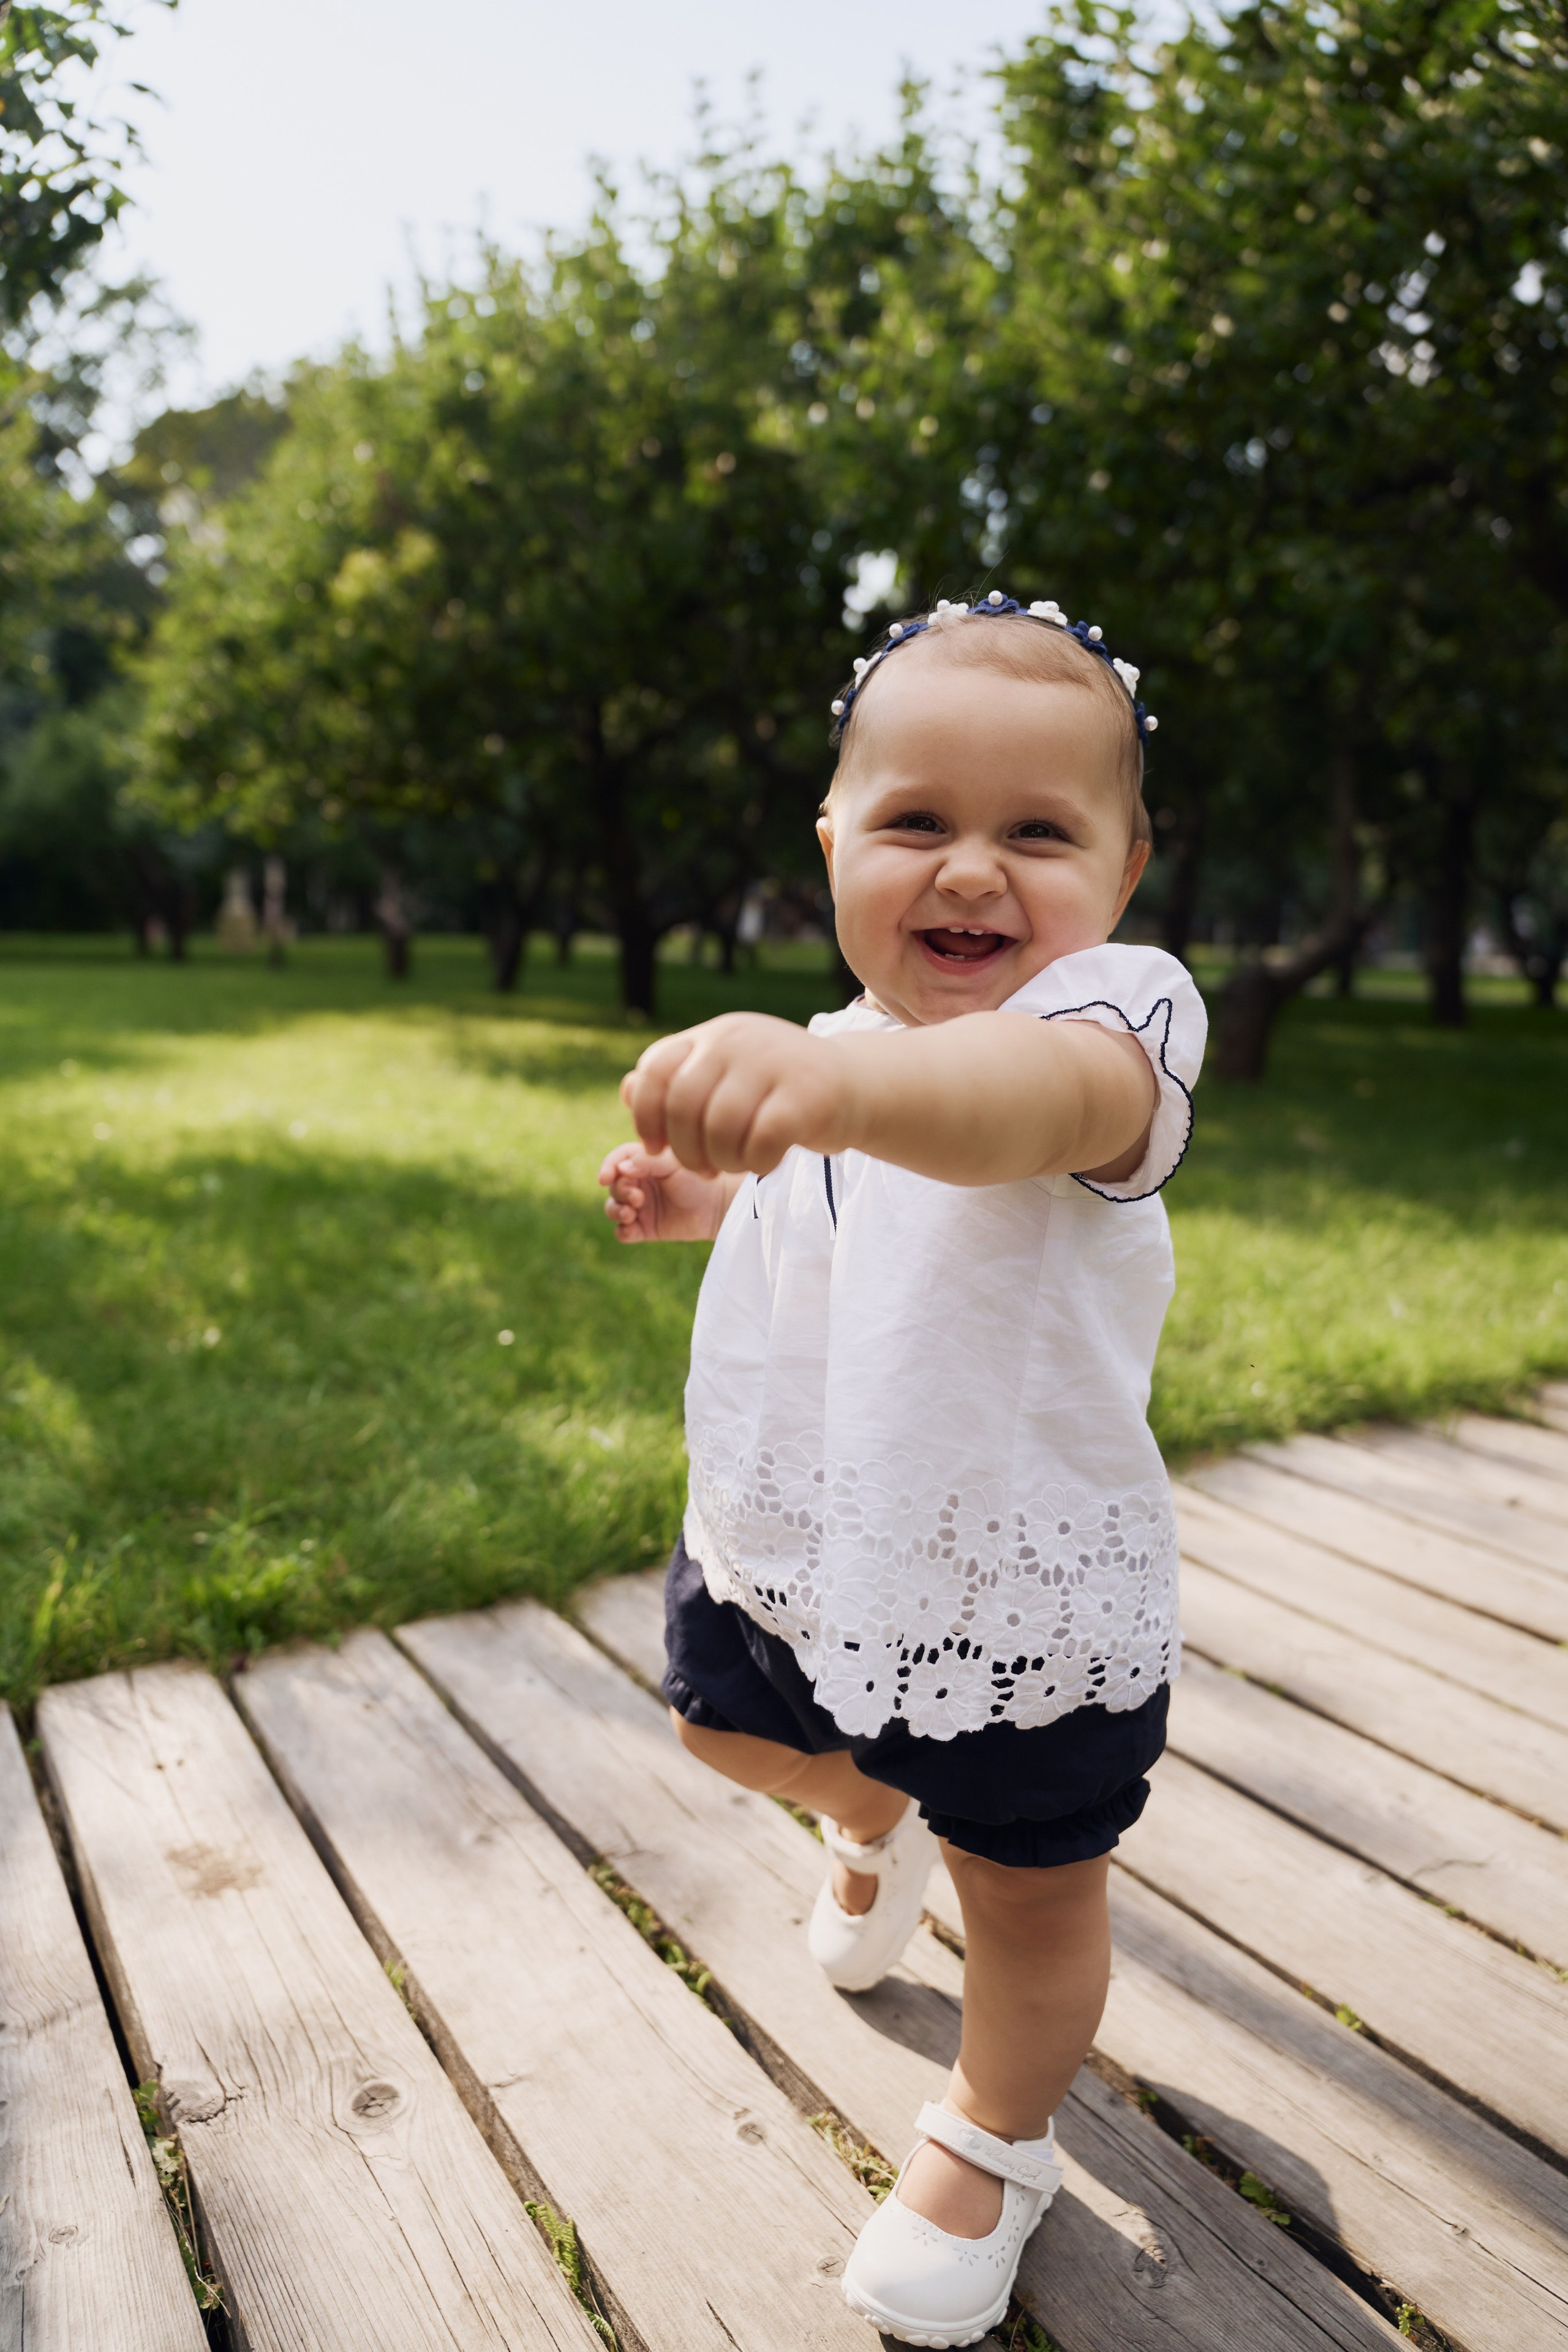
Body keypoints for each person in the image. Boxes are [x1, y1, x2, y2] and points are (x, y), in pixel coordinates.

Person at [599, 590, 1206, 2348]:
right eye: (918, 822)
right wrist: (721, 1190)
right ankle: (870, 1814)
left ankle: (990, 2140)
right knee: (721, 1726)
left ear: (1129, 863)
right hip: (807, 1534)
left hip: (1012, 1579)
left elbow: (1006, 1109)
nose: (971, 871)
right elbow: (849, 1180)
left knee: (1030, 1901)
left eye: (1039, 830)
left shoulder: (1120, 1027)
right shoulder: (848, 1051)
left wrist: (826, 1091)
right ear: (835, 841)